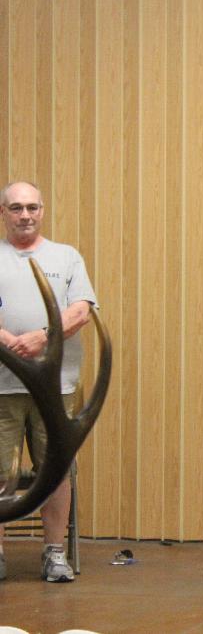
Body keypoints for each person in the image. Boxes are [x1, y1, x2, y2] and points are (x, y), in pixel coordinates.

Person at [0, 181, 97, 583]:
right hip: (1, 389)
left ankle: (54, 553)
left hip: (56, 390)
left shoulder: (66, 256)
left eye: (32, 207)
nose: (25, 215)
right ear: (3, 213)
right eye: (16, 208)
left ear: (42, 211)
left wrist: (42, 335)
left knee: (55, 470)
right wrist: (8, 343)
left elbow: (82, 311)